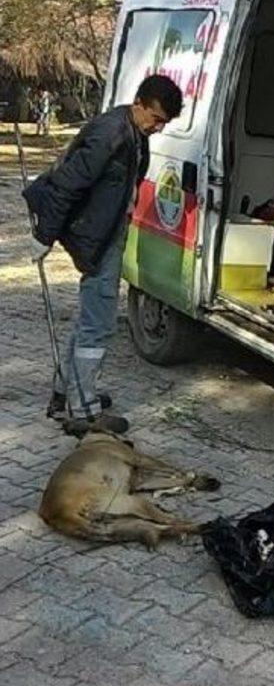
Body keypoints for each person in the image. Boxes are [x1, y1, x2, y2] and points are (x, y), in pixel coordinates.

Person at [24, 74, 183, 436]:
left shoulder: (134, 134)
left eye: (164, 123)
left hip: (107, 233)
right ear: (139, 103)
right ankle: (83, 410)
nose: (158, 127)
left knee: (90, 319)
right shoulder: (110, 134)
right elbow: (67, 183)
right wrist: (43, 235)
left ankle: (67, 393)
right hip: (96, 239)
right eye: (155, 118)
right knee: (99, 323)